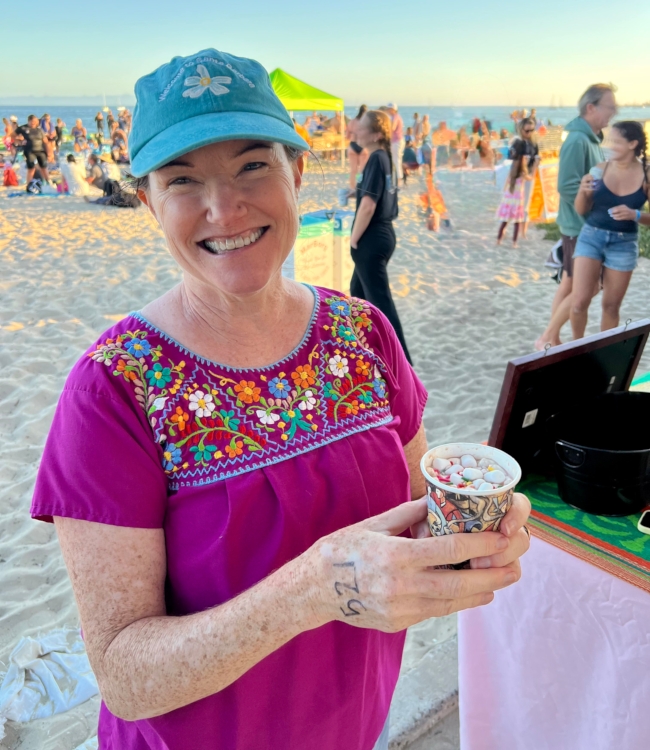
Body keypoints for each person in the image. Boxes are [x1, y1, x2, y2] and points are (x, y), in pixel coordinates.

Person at [29, 47, 531, 750]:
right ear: (149, 202)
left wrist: (469, 533)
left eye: (252, 166)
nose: (223, 207)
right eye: (182, 180)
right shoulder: (114, 388)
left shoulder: (362, 332)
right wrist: (312, 591)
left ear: (296, 173)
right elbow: (125, 677)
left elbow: (412, 515)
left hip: (360, 723)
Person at [535, 83, 617, 350]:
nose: (614, 112)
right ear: (591, 107)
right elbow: (567, 186)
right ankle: (548, 336)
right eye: (610, 107)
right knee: (588, 286)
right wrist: (594, 208)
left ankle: (551, 339)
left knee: (570, 283)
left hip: (582, 225)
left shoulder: (591, 139)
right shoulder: (577, 140)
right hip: (579, 226)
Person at [570, 121, 649, 338]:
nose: (610, 146)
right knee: (578, 303)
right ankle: (577, 348)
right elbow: (581, 209)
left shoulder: (646, 174)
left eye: (616, 141)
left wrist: (636, 215)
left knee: (611, 307)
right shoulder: (599, 169)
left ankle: (604, 353)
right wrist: (583, 191)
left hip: (624, 243)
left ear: (632, 144)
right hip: (591, 236)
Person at [350, 109, 411, 361]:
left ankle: (403, 362)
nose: (356, 130)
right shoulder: (384, 157)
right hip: (383, 234)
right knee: (357, 296)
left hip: (372, 237)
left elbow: (369, 206)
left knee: (381, 304)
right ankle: (364, 353)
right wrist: (354, 192)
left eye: (362, 128)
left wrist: (354, 239)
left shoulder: (377, 158)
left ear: (376, 135)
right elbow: (377, 193)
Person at [495, 140, 533, 247]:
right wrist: (534, 167)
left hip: (508, 197)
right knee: (517, 222)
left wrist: (504, 192)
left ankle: (498, 240)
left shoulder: (512, 168)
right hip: (517, 199)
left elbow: (506, 183)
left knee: (504, 221)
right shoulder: (523, 171)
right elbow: (529, 178)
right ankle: (514, 243)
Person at [508, 118, 540, 237]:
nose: (529, 133)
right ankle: (507, 229)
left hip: (529, 176)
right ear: (521, 129)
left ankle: (523, 233)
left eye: (532, 130)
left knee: (526, 205)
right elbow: (513, 161)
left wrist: (531, 173)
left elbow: (536, 159)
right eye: (527, 131)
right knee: (513, 204)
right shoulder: (517, 143)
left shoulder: (534, 143)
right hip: (518, 178)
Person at [13, 115, 51, 187]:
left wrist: (49, 153)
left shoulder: (39, 130)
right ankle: (29, 185)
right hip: (30, 151)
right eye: (32, 121)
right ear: (29, 121)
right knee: (31, 168)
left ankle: (48, 183)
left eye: (35, 121)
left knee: (44, 167)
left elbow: (46, 142)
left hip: (40, 150)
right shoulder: (23, 128)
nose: (34, 123)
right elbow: (12, 135)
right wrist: (19, 142)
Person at [346, 104, 368, 191]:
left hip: (353, 145)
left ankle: (352, 188)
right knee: (362, 170)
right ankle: (362, 188)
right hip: (363, 146)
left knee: (353, 170)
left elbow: (347, 136)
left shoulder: (352, 122)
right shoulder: (366, 123)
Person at [386, 102, 404, 184]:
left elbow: (392, 128)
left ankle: (399, 180)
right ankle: (396, 180)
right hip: (396, 141)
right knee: (395, 160)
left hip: (396, 141)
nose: (388, 110)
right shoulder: (395, 117)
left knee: (396, 161)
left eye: (389, 109)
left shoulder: (395, 117)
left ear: (393, 109)